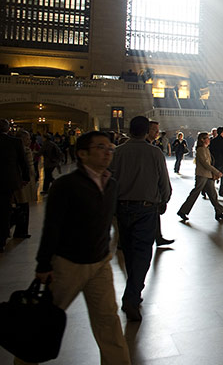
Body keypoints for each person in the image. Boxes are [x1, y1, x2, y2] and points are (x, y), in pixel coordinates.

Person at [29, 131, 131, 365]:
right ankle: (25, 359)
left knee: (109, 321)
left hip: (99, 262)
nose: (107, 152)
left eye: (110, 148)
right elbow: (52, 226)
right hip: (69, 264)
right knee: (46, 318)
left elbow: (108, 222)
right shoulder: (66, 185)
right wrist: (44, 263)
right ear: (82, 154)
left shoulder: (111, 183)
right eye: (100, 148)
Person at [111, 116, 172, 321]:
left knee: (128, 251)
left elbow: (110, 180)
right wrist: (165, 199)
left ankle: (133, 289)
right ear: (146, 131)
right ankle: (132, 295)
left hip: (122, 208)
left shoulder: (118, 152)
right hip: (146, 209)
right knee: (143, 253)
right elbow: (163, 180)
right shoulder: (154, 152)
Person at [177, 132, 223, 223]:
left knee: (213, 194)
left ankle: (219, 211)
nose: (209, 140)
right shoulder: (201, 150)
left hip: (207, 175)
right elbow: (205, 164)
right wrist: (216, 172)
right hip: (202, 175)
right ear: (202, 140)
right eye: (207, 138)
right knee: (195, 193)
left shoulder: (206, 149)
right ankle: (183, 211)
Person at [0, 119, 29, 252]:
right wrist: (25, 178)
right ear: (8, 129)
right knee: (5, 209)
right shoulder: (14, 142)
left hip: (7, 181)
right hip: (8, 181)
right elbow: (23, 162)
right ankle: (2, 238)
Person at [147, 120, 174, 247]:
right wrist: (165, 195)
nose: (157, 132)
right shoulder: (152, 150)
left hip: (152, 193)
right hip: (147, 193)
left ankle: (158, 237)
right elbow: (162, 176)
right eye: (154, 129)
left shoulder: (154, 147)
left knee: (155, 215)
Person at [11, 129, 35, 239]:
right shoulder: (24, 151)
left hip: (20, 181)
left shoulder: (14, 149)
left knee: (21, 206)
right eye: (27, 139)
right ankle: (21, 230)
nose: (29, 141)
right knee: (23, 206)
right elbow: (29, 167)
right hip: (24, 182)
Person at [209, 126, 223, 197]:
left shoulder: (213, 141)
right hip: (221, 162)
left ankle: (211, 190)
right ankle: (221, 190)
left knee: (213, 176)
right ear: (222, 132)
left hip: (214, 161)